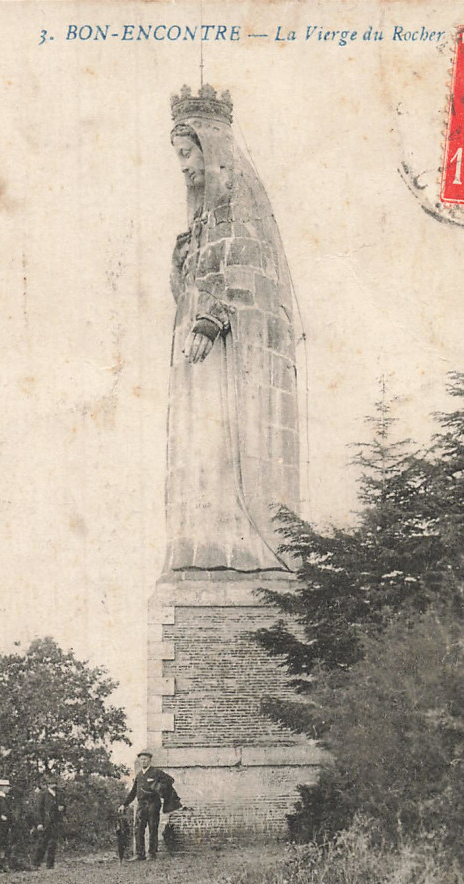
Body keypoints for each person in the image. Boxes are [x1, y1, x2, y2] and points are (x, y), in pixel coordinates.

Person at [165, 85, 301, 571]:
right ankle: (203, 550)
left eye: (187, 153)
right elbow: (191, 283)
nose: (182, 165)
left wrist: (210, 317)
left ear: (211, 147)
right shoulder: (202, 213)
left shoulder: (238, 192)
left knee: (230, 448)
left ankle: (244, 553)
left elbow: (246, 267)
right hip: (202, 361)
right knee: (201, 452)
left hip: (232, 354)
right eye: (178, 156)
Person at [118, 752, 175, 861]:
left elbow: (170, 780)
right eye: (141, 759)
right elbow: (133, 791)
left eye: (145, 759)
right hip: (141, 805)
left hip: (153, 804)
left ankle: (152, 854)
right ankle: (140, 854)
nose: (143, 761)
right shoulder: (139, 775)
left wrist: (158, 787)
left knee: (153, 828)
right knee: (138, 829)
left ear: (149, 760)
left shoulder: (156, 772)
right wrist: (124, 804)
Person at [33, 776, 66, 869]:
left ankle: (50, 864)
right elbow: (38, 810)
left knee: (53, 843)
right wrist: (39, 823)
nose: (53, 785)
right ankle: (36, 863)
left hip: (56, 821)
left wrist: (62, 809)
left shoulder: (60, 794)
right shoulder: (43, 794)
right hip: (46, 822)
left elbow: (64, 806)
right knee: (42, 842)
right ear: (48, 785)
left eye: (55, 783)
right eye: (51, 784)